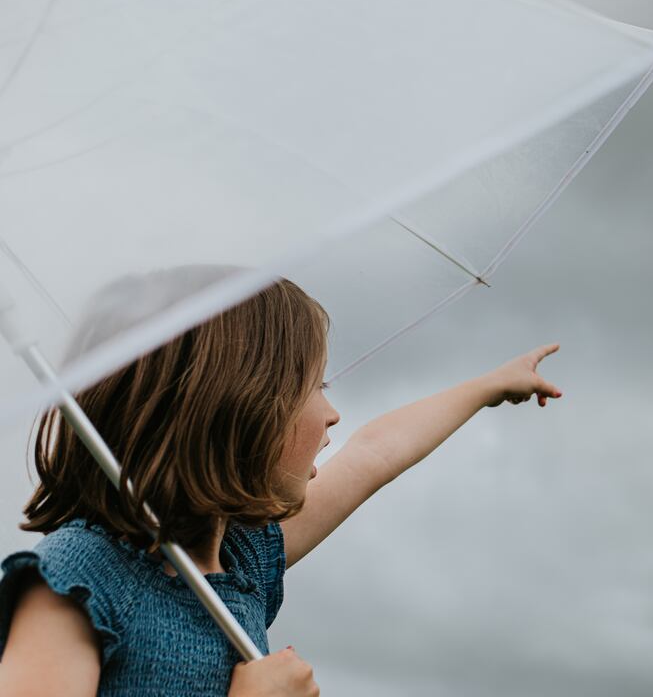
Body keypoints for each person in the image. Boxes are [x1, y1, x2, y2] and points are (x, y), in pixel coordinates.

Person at [0, 273, 562, 695]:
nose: (333, 415)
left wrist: (487, 386)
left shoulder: (244, 557)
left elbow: (374, 453)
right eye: (314, 385)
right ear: (237, 406)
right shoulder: (77, 584)